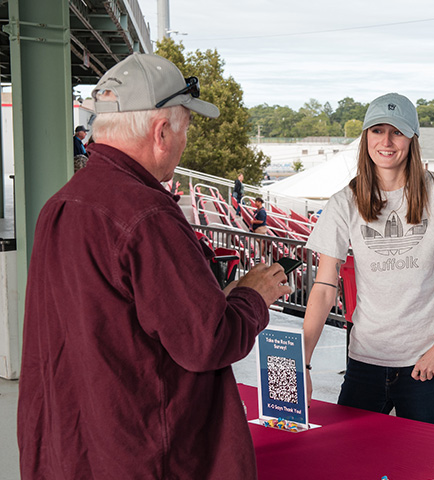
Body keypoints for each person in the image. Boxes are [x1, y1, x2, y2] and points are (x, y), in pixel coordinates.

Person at [17, 53, 292, 480]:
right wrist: (251, 295)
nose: (185, 144)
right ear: (161, 132)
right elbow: (207, 342)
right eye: (185, 129)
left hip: (76, 447)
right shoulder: (146, 215)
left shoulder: (61, 204)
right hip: (145, 453)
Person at [302, 92, 434, 425]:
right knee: (352, 461)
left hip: (424, 363)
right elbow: (325, 286)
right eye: (377, 130)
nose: (386, 141)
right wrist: (304, 362)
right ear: (365, 137)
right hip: (364, 360)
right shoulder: (345, 201)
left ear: (412, 138)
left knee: (419, 467)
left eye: (397, 131)